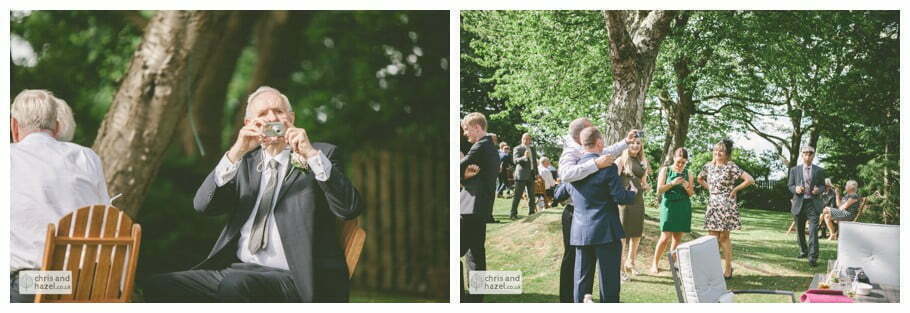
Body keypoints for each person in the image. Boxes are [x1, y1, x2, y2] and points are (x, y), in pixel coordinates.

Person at [142, 87, 363, 302]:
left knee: (236, 286)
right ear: (249, 124)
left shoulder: (321, 155)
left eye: (278, 111)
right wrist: (236, 152)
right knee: (158, 285)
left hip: (296, 278)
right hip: (239, 269)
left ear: (291, 118)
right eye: (263, 114)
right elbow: (203, 205)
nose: (272, 118)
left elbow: (349, 208)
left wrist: (311, 155)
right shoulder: (245, 162)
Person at [10, 89, 111, 303]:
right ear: (56, 127)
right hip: (88, 282)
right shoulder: (87, 157)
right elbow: (107, 217)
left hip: (35, 284)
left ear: (14, 126)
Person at [555, 117, 637, 303]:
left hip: (580, 230)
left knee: (581, 281)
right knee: (609, 283)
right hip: (606, 230)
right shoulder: (602, 166)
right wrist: (632, 193)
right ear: (598, 141)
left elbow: (560, 191)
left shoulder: (578, 163)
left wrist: (625, 141)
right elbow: (620, 197)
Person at [697, 139, 754, 278]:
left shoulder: (730, 166)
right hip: (713, 204)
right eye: (716, 150)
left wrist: (735, 189)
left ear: (726, 153)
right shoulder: (708, 166)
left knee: (723, 237)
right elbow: (699, 178)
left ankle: (728, 268)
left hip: (726, 205)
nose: (718, 153)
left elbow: (750, 179)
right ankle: (712, 269)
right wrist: (711, 189)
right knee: (712, 238)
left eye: (721, 151)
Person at [458, 112, 500, 303]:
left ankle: (459, 297)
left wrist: (462, 174)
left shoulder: (480, 146)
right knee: (475, 254)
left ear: (477, 127)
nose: (465, 134)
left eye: (466, 129)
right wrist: (465, 175)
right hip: (480, 207)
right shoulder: (489, 147)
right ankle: (475, 299)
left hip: (471, 207)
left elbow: (459, 166)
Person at [650, 147, 693, 274]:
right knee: (665, 237)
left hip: (683, 206)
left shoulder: (689, 173)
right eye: (678, 161)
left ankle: (672, 263)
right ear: (674, 158)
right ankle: (654, 263)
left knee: (677, 238)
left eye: (683, 162)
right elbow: (659, 190)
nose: (680, 165)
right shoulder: (666, 170)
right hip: (668, 206)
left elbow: (691, 193)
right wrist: (672, 183)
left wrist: (687, 187)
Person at [615, 136, 650, 278]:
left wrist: (645, 186)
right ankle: (620, 269)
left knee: (636, 234)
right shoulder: (621, 160)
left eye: (638, 143)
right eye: (632, 143)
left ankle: (631, 263)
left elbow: (643, 182)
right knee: (622, 236)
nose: (635, 145)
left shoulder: (643, 162)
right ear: (627, 145)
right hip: (624, 202)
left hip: (638, 200)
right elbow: (613, 181)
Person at [786, 146, 826, 267]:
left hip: (813, 204)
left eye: (810, 154)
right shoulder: (794, 170)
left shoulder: (819, 170)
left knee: (813, 231)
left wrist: (818, 190)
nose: (808, 156)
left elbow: (823, 186)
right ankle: (804, 251)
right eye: (805, 154)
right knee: (800, 230)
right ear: (802, 155)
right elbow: (790, 185)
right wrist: (796, 189)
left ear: (813, 155)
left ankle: (812, 257)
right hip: (799, 203)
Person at [510, 133, 538, 219]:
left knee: (532, 196)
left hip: (531, 174)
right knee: (517, 195)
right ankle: (513, 214)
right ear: (522, 139)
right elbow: (515, 161)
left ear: (530, 140)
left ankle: (532, 212)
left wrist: (537, 173)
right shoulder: (517, 148)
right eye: (525, 139)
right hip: (521, 175)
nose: (526, 141)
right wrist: (524, 157)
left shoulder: (532, 148)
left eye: (528, 139)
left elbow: (534, 162)